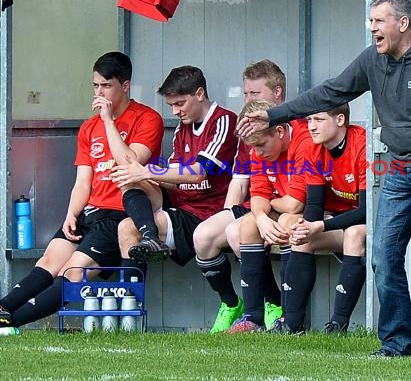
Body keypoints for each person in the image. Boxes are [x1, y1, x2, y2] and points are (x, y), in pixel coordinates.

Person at [236, 0, 411, 360]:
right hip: (399, 168)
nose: (372, 28)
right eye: (370, 20)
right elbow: (329, 92)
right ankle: (396, 343)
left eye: (379, 21)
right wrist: (274, 115)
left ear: (403, 23)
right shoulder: (371, 61)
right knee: (383, 254)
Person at [0, 51, 164, 330]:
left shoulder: (147, 119)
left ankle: (10, 322)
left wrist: (110, 121)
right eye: (96, 85)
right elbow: (83, 181)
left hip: (117, 214)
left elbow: (130, 163)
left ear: (125, 86)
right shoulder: (89, 127)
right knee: (51, 258)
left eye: (107, 86)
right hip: (89, 212)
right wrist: (71, 214)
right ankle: (3, 307)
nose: (99, 92)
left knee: (73, 272)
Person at [112, 66, 238, 285]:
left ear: (199, 94)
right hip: (180, 205)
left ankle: (150, 236)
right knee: (128, 189)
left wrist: (147, 171)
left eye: (180, 104)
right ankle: (129, 312)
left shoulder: (223, 121)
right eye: (171, 105)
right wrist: (140, 176)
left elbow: (199, 173)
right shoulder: (182, 128)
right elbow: (171, 179)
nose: (175, 112)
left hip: (206, 211)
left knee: (129, 219)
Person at [192, 60, 286, 333]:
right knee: (204, 236)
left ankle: (273, 303)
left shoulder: (291, 126)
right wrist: (226, 213)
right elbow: (241, 181)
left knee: (237, 233)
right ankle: (231, 303)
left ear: (277, 92)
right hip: (257, 202)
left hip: (284, 205)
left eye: (254, 94)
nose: (247, 100)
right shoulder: (248, 127)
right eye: (245, 94)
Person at [271, 104, 367, 334]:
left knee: (354, 234)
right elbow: (313, 205)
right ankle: (291, 324)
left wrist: (321, 225)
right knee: (302, 235)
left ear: (340, 119)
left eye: (319, 120)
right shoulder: (315, 148)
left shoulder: (362, 145)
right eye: (310, 120)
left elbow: (368, 210)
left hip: (373, 219)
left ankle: (338, 324)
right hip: (337, 219)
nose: (311, 127)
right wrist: (307, 227)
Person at [228, 99, 313, 332]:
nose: (258, 153)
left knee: (287, 222)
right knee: (247, 225)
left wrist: (270, 205)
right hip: (286, 208)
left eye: (262, 145)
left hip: (323, 213)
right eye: (253, 148)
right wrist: (262, 218)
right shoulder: (260, 146)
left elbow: (295, 204)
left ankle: (288, 317)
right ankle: (252, 318)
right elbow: (258, 194)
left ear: (279, 130)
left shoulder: (304, 141)